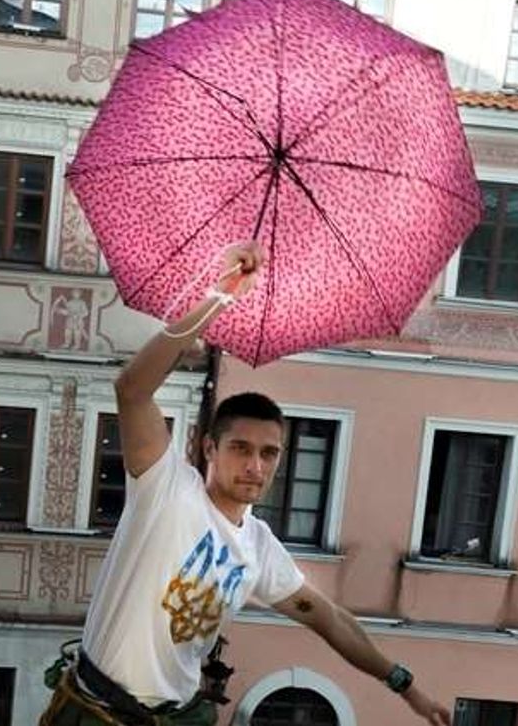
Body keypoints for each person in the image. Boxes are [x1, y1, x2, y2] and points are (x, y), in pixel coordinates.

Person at [39, 242, 451, 726]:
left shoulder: (257, 548)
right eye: (240, 448)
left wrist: (406, 686)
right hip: (97, 714)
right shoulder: (168, 489)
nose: (255, 464)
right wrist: (219, 296)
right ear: (210, 448)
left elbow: (329, 620)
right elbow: (132, 389)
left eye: (268, 453)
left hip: (177, 717)